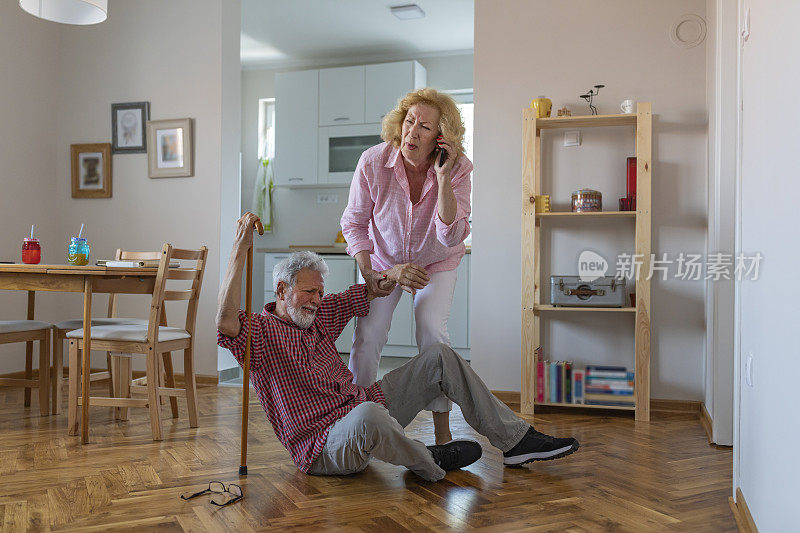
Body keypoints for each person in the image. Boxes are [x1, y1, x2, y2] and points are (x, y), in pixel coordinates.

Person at [216, 215, 579, 482]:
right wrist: (240, 247)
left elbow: (371, 288)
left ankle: (515, 441)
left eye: (320, 292)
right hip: (324, 446)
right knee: (369, 417)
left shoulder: (320, 314)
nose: (316, 300)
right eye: (308, 292)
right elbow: (224, 322)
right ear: (281, 291)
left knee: (438, 356)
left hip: (362, 404)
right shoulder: (260, 334)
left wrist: (395, 272)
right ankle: (427, 462)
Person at [340, 88, 472, 445]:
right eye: (409, 121)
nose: (412, 132)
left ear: (440, 138)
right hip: (383, 261)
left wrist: (443, 179)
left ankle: (443, 436)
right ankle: (357, 425)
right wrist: (369, 273)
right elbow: (353, 222)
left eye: (425, 127)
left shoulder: (458, 170)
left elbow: (450, 236)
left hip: (436, 261)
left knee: (431, 332)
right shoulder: (372, 161)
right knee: (368, 335)